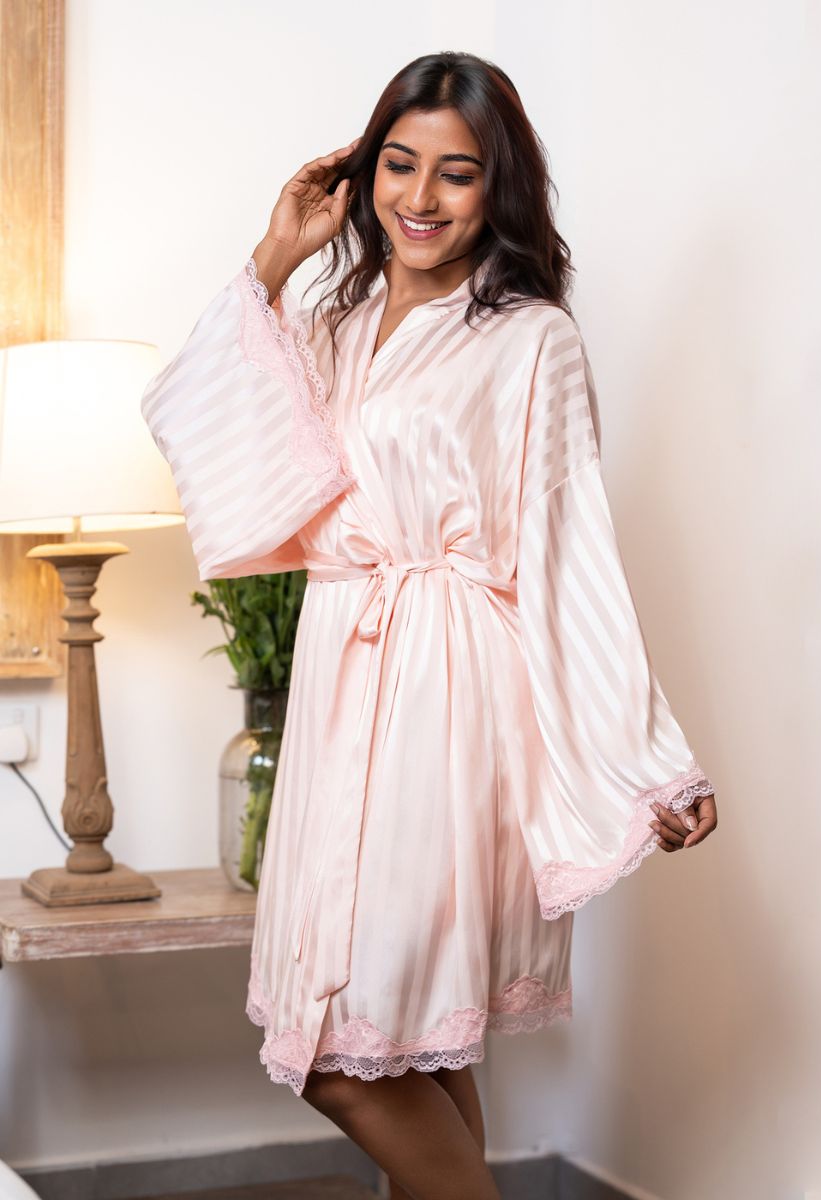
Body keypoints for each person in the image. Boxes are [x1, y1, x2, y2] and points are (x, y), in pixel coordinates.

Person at [141, 50, 718, 1200]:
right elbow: (208, 428)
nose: (419, 197)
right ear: (364, 171)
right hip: (340, 674)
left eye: (455, 175)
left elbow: (568, 553)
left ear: (497, 189)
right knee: (405, 1046)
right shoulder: (336, 319)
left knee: (350, 1047)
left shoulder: (529, 339)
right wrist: (278, 253)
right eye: (398, 163)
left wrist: (651, 762)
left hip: (445, 701)